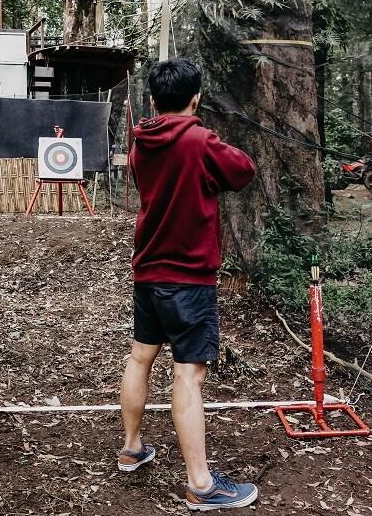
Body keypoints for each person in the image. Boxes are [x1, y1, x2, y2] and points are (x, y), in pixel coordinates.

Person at [118, 59, 258, 511]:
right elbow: (243, 169)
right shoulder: (199, 141)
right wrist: (202, 131)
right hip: (187, 278)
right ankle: (202, 484)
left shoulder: (142, 142)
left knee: (141, 357)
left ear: (154, 100)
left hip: (149, 270)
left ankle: (132, 448)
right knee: (188, 373)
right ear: (195, 99)